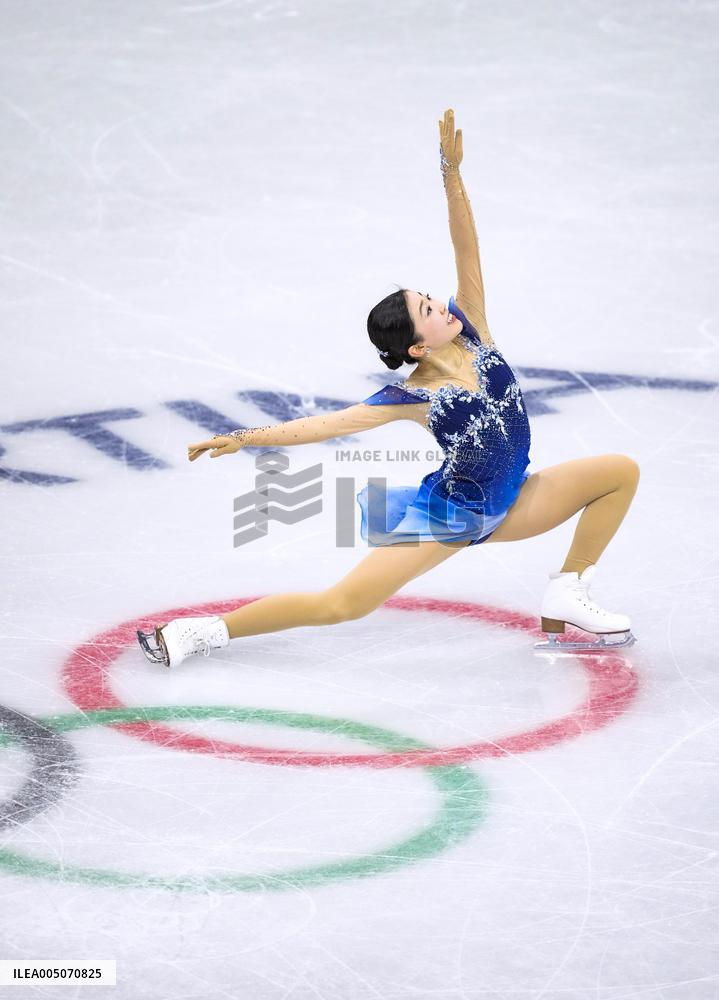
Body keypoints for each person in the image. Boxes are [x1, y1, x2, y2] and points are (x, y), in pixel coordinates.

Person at [137, 109, 640, 669]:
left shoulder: (473, 329)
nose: (441, 305)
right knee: (342, 605)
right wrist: (245, 437)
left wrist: (451, 174)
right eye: (428, 309)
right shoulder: (412, 396)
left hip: (515, 501)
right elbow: (324, 426)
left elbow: (466, 248)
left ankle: (567, 590)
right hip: (454, 516)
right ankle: (199, 632)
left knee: (618, 472)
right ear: (417, 348)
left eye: (430, 298)